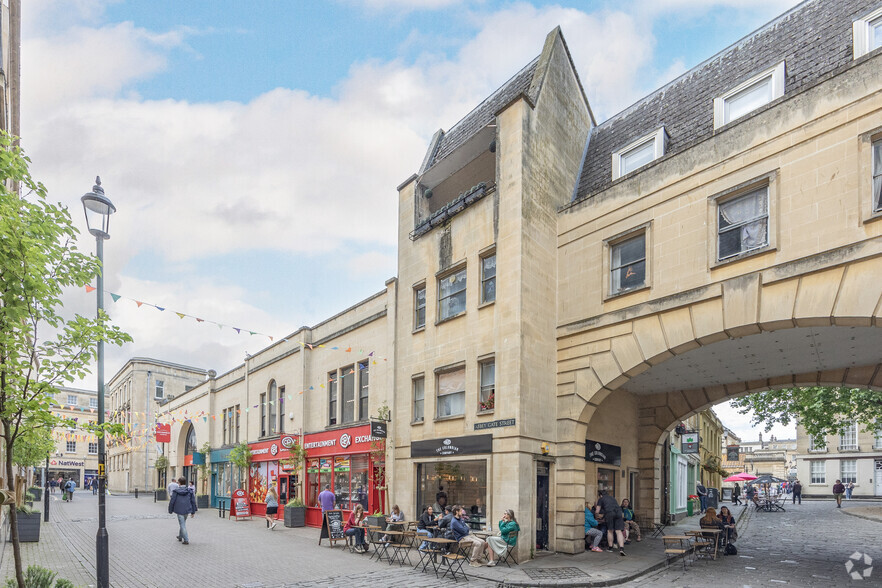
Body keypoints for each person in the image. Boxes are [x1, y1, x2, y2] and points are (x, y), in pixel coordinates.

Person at [169, 476, 197, 545]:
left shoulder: (176, 491)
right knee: (183, 523)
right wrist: (193, 511)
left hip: (179, 510)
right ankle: (180, 536)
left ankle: (186, 539)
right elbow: (193, 501)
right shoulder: (189, 491)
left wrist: (170, 510)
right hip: (187, 510)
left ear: (179, 483)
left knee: (182, 524)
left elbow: (172, 501)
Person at [597, 490, 626, 556]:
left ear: (600, 495)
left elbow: (597, 511)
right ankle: (621, 548)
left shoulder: (601, 499)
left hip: (610, 513)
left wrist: (597, 515)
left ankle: (610, 547)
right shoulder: (612, 498)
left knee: (610, 531)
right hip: (618, 512)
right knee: (618, 531)